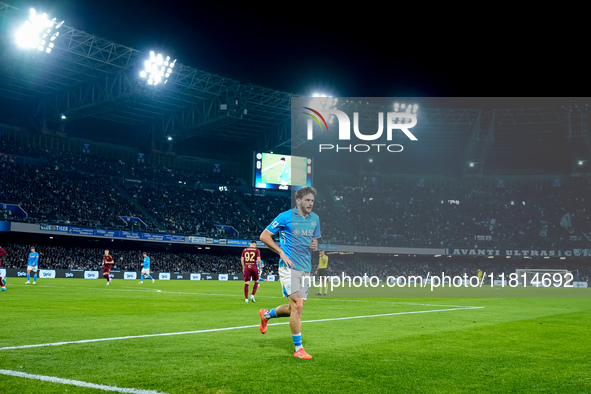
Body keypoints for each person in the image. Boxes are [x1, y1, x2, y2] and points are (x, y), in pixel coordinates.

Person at [258, 186, 321, 359]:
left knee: (295, 308)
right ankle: (298, 349)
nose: (311, 203)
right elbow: (264, 236)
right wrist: (281, 252)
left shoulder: (315, 219)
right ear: (298, 201)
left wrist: (315, 245)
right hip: (289, 267)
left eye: (313, 201)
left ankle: (265, 314)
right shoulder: (285, 217)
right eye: (307, 200)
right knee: (298, 305)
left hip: (305, 268)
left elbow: (314, 241)